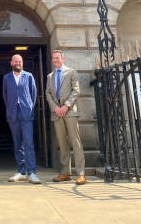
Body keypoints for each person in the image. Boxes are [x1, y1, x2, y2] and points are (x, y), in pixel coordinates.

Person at [45, 50, 86, 185]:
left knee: (76, 142)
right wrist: (55, 108)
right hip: (57, 113)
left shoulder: (71, 72)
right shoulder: (50, 76)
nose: (55, 60)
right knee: (62, 143)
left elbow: (76, 90)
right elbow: (48, 94)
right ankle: (65, 172)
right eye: (53, 58)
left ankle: (81, 173)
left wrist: (66, 106)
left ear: (63, 58)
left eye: (58, 58)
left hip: (70, 112)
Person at [3, 54, 41, 184]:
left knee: (28, 143)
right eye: (15, 61)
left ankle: (32, 173)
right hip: (13, 114)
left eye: (20, 61)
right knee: (17, 143)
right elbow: (5, 95)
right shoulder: (6, 78)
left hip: (26, 113)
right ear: (11, 63)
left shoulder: (29, 76)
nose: (18, 63)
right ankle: (21, 172)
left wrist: (29, 108)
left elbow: (33, 94)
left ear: (22, 63)